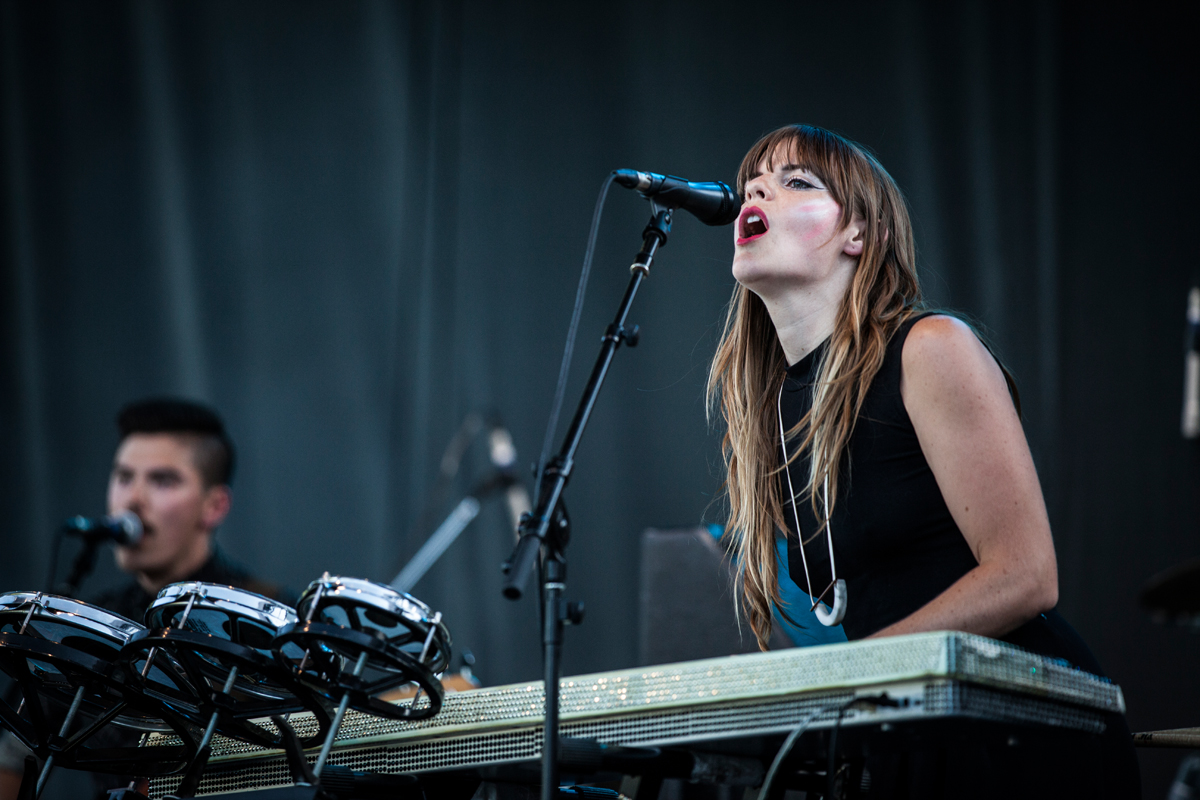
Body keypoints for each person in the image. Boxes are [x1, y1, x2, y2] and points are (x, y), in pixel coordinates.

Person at [707, 124, 1140, 796]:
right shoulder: (770, 416)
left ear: (862, 236)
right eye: (753, 184)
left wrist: (841, 678)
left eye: (798, 181)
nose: (758, 190)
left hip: (1022, 741)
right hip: (911, 740)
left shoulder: (929, 348)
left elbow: (1027, 576)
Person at [0, 398, 287, 800]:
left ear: (214, 506)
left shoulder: (266, 620)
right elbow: (13, 761)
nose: (132, 500)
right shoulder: (92, 622)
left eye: (162, 480)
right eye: (123, 476)